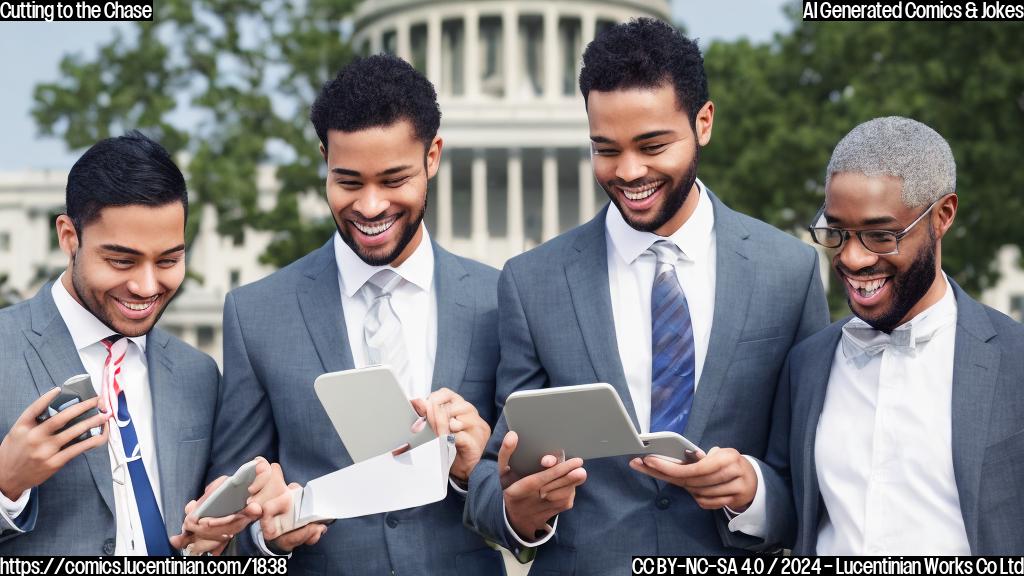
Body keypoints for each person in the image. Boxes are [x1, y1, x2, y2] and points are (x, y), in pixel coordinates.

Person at [464, 17, 829, 573]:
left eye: (653, 145)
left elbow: (809, 476)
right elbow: (494, 476)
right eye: (605, 149)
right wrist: (520, 509)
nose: (629, 172)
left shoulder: (789, 270)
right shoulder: (531, 281)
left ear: (704, 123)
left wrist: (753, 491)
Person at [204, 54, 505, 574]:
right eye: (348, 181)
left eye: (394, 180)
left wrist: (473, 471)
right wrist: (266, 537)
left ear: (432, 156)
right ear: (324, 158)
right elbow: (230, 518)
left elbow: (525, 511)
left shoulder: (498, 300)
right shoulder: (255, 314)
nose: (369, 206)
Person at [722, 116, 1024, 555]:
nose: (852, 258)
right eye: (837, 232)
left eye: (881, 236)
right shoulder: (807, 364)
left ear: (942, 216)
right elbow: (795, 505)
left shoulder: (1015, 361)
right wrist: (751, 493)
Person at [0, 132, 222, 555]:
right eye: (121, 261)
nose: (146, 285)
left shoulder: (199, 373)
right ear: (68, 236)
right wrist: (5, 483)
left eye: (169, 260)